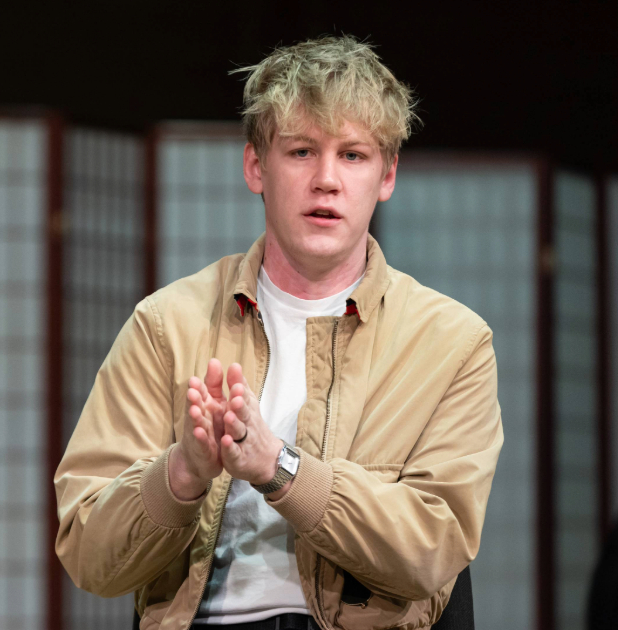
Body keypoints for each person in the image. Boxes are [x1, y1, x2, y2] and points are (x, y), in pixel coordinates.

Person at [54, 35, 503, 630]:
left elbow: (433, 547)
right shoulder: (168, 324)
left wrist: (278, 468)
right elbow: (88, 555)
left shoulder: (451, 342)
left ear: (387, 175)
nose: (326, 179)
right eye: (300, 152)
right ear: (255, 166)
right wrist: (182, 474)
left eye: (353, 155)